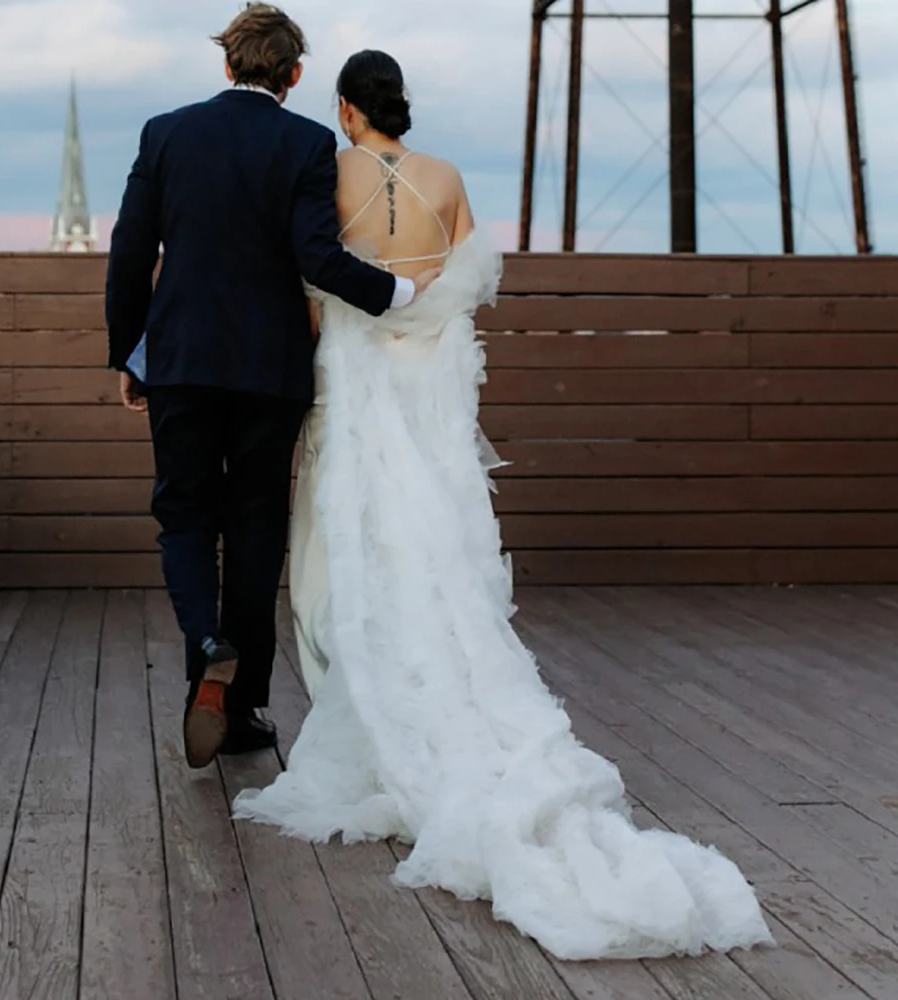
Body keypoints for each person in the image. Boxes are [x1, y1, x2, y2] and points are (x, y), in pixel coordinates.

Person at [232, 50, 775, 962]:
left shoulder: (328, 172)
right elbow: (468, 284)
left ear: (345, 110)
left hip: (354, 381)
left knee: (340, 544)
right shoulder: (445, 177)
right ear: (397, 105)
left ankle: (351, 700)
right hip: (427, 390)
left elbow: (315, 275)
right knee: (433, 544)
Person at [106, 6, 437, 770]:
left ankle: (206, 646)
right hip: (270, 370)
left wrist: (130, 352)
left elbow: (129, 251)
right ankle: (246, 705)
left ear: (228, 65)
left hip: (183, 361)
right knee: (256, 526)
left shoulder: (166, 132)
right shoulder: (306, 142)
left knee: (184, 514)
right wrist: (397, 298)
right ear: (293, 76)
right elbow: (316, 256)